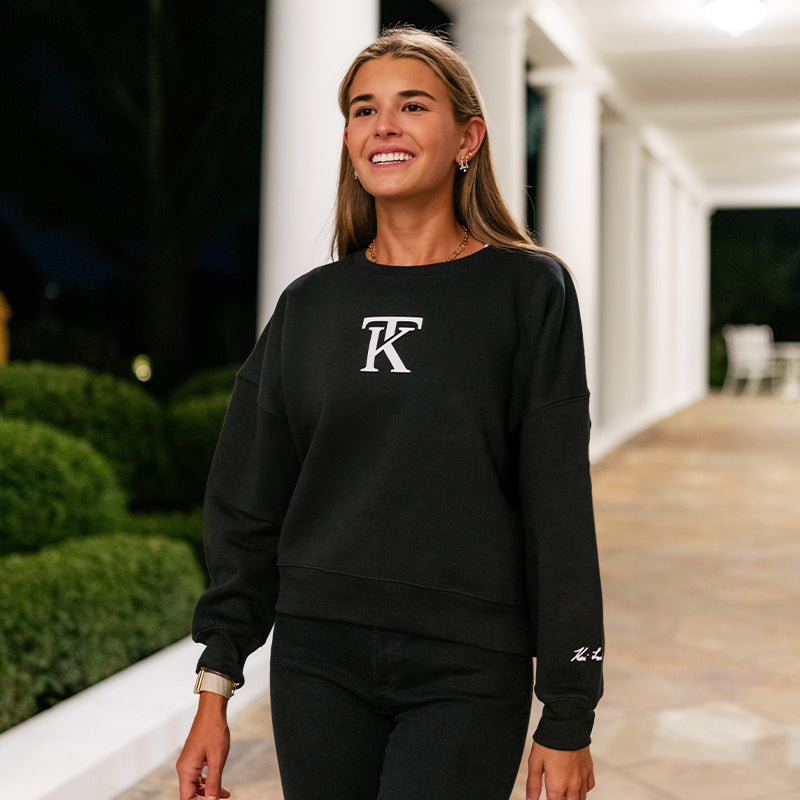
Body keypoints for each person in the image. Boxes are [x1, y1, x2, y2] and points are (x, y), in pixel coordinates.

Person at [176, 25, 603, 800]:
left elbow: (558, 505)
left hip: (469, 664)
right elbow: (248, 500)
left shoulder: (528, 291)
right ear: (348, 140)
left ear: (468, 137)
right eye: (364, 110)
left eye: (413, 105)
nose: (384, 126)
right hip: (317, 661)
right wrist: (217, 682)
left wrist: (569, 708)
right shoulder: (311, 305)